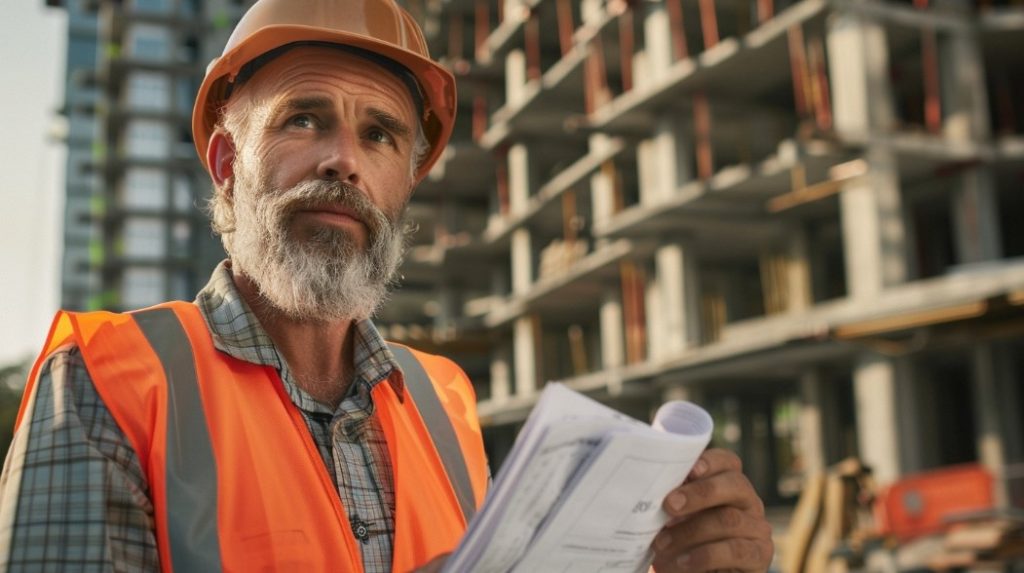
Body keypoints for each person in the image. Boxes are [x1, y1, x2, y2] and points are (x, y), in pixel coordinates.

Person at [0, 0, 773, 571]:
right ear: (228, 166)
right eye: (304, 119)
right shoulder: (107, 380)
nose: (345, 160)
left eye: (380, 134)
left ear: (405, 182)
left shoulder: (443, 402)